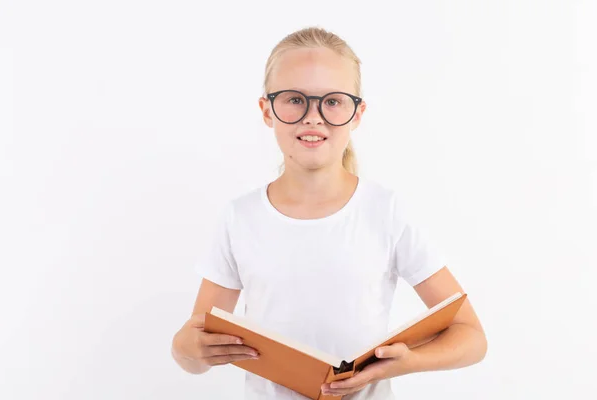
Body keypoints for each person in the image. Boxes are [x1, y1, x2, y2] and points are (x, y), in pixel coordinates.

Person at [171, 26, 487, 399]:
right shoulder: (240, 218)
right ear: (266, 110)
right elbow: (193, 350)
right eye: (294, 99)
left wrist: (408, 361)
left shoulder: (385, 211)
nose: (313, 117)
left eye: (333, 101)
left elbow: (471, 336)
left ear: (357, 114)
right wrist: (187, 350)